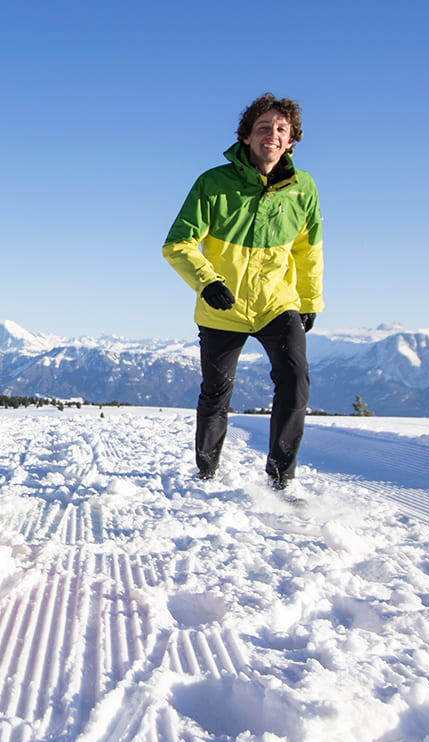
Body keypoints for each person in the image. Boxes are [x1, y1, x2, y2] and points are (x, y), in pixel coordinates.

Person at [160, 93, 323, 491]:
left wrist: (309, 299)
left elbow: (309, 250)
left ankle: (282, 478)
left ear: (291, 141)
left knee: (295, 380)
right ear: (247, 136)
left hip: (276, 303)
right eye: (263, 127)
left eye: (281, 130)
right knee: (216, 392)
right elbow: (177, 243)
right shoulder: (213, 183)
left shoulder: (304, 189)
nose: (272, 134)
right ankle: (206, 472)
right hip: (222, 305)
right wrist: (207, 281)